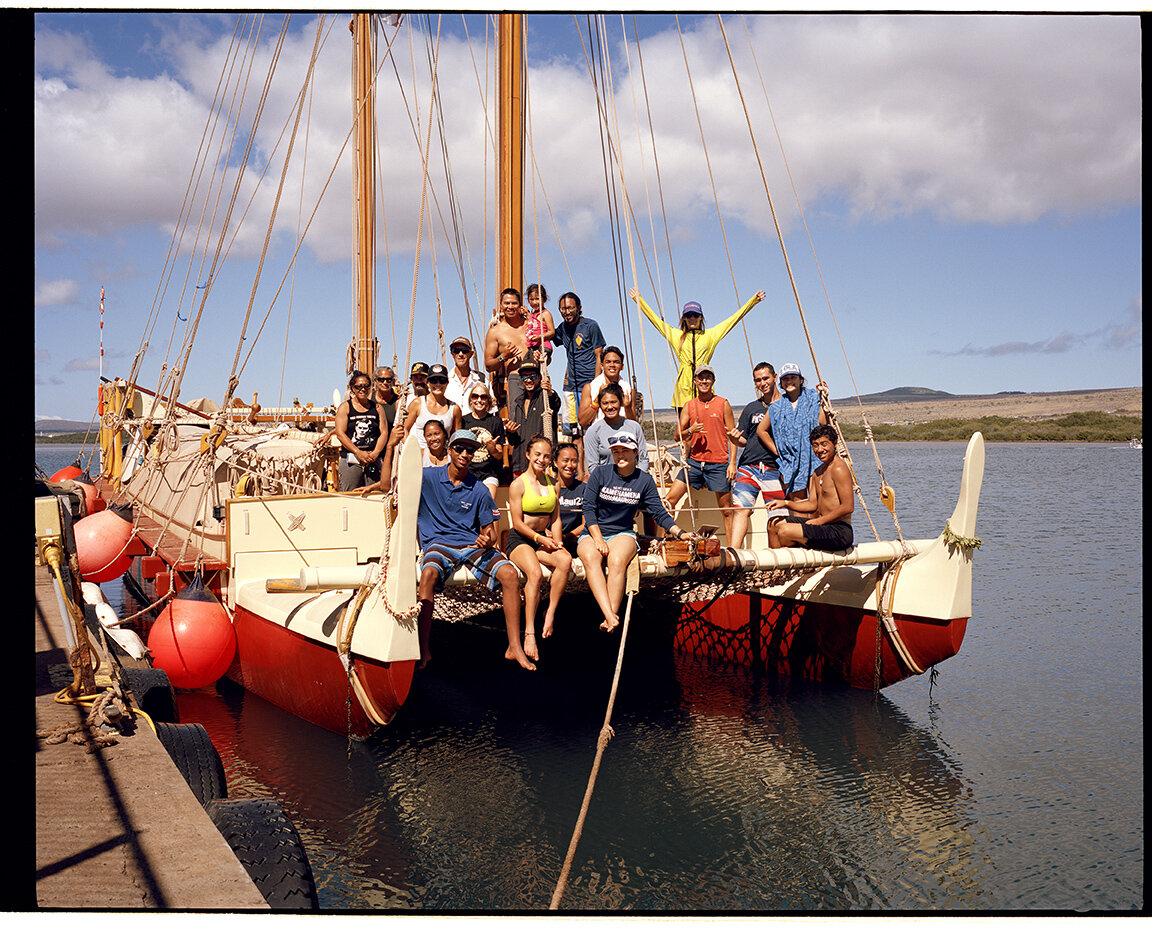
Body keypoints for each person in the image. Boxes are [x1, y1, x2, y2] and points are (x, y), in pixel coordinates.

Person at [416, 429, 536, 672]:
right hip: (439, 544)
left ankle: (514, 647)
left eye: (470, 450)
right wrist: (391, 447)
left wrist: (488, 540)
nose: (464, 453)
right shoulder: (426, 478)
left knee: (510, 575)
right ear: (449, 450)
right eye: (459, 448)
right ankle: (422, 647)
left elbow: (489, 531)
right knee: (427, 574)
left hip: (471, 545)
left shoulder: (479, 489)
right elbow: (391, 484)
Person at [578, 430, 691, 632]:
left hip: (622, 533)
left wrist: (680, 533)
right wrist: (597, 539)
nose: (620, 455)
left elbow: (658, 512)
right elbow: (588, 508)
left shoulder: (644, 480)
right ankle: (610, 614)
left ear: (635, 452)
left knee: (617, 561)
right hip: (594, 531)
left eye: (625, 451)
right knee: (590, 556)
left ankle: (610, 617)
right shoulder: (600, 474)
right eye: (616, 451)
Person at [630, 287, 766, 410]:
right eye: (688, 315)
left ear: (701, 317)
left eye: (695, 315)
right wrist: (639, 300)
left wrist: (753, 301)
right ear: (684, 318)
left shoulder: (710, 335)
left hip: (705, 389)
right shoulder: (676, 336)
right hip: (683, 393)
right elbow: (655, 320)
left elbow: (733, 319)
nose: (692, 318)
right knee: (686, 433)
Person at [505, 435, 573, 660]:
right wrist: (541, 539)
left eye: (546, 456)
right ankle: (529, 632)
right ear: (528, 455)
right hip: (520, 540)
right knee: (534, 574)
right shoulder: (518, 484)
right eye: (537, 455)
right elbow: (517, 523)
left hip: (542, 539)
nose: (542, 460)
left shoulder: (554, 484)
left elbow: (555, 519)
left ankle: (550, 612)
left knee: (565, 560)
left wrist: (557, 540)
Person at [664, 365, 738, 543]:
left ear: (713, 381)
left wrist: (732, 463)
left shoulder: (723, 404)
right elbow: (677, 435)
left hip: (718, 464)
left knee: (726, 510)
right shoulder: (689, 406)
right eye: (701, 378)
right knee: (668, 501)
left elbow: (733, 436)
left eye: (708, 378)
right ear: (695, 381)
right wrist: (691, 429)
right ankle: (664, 542)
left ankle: (733, 549)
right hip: (694, 464)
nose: (704, 381)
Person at [766, 425, 853, 552]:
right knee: (773, 524)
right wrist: (785, 503)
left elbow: (848, 507)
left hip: (839, 531)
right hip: (822, 526)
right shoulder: (817, 472)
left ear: (834, 443)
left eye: (824, 444)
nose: (820, 449)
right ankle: (777, 568)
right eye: (815, 445)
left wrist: (819, 521)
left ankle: (792, 567)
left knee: (785, 531)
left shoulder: (839, 468)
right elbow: (812, 505)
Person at [728, 362, 785, 549]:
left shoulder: (786, 405)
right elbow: (744, 440)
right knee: (741, 509)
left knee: (777, 516)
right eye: (758, 380)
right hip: (749, 467)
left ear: (775, 377)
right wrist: (735, 440)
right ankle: (734, 554)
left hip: (774, 469)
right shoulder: (752, 408)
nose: (762, 383)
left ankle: (778, 562)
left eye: (766, 378)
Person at [755, 362, 830, 503]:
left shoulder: (814, 397)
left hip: (813, 459)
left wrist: (824, 398)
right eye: (785, 379)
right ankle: (800, 525)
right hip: (791, 462)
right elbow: (761, 430)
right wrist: (777, 451)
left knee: (818, 503)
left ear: (800, 380)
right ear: (781, 383)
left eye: (792, 377)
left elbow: (823, 422)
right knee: (799, 505)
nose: (789, 381)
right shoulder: (776, 407)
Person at [552, 291, 605, 466]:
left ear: (579, 308)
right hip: (570, 387)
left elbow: (599, 355)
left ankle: (592, 470)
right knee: (573, 433)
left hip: (588, 385)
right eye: (562, 308)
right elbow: (549, 335)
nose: (566, 312)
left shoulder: (590, 326)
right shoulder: (563, 328)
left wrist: (596, 384)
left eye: (570, 308)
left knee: (590, 431)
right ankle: (578, 473)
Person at [334, 370, 390, 491]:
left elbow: (384, 432)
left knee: (375, 493)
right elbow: (340, 433)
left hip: (373, 459)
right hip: (351, 459)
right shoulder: (345, 408)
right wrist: (358, 452)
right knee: (350, 494)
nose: (363, 389)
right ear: (352, 388)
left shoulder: (377, 408)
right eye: (358, 386)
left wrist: (375, 453)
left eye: (366, 386)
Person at [582, 382, 649, 477]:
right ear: (600, 406)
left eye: (613, 402)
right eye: (605, 403)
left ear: (621, 402)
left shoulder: (634, 427)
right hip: (606, 483)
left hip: (633, 483)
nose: (609, 407)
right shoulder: (593, 431)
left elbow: (643, 459)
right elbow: (593, 466)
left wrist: (638, 481)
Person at [505, 360, 561, 476]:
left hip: (542, 466)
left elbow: (555, 403)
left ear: (539, 377)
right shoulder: (518, 402)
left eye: (532, 376)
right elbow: (513, 441)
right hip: (520, 466)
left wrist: (550, 392)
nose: (529, 380)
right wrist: (510, 432)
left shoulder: (545, 397)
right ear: (520, 379)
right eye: (525, 377)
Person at [484, 287, 531, 410]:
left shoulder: (531, 326)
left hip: (536, 377)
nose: (510, 307)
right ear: (501, 305)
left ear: (520, 305)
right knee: (517, 421)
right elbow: (488, 366)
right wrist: (504, 356)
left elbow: (548, 356)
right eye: (507, 303)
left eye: (514, 303)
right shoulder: (495, 332)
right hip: (515, 379)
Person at [459, 382, 505, 499]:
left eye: (483, 397)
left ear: (488, 401)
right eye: (475, 396)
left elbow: (499, 455)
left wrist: (492, 448)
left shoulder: (496, 422)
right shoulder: (463, 421)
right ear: (470, 400)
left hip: (489, 474)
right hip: (467, 472)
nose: (479, 400)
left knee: (487, 505)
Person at [403, 363, 462, 451]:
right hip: (420, 458)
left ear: (447, 383)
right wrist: (412, 450)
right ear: (427, 382)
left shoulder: (455, 408)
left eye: (442, 380)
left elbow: (457, 437)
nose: (438, 384)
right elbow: (404, 429)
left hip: (444, 459)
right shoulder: (417, 404)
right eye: (434, 380)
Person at [578, 345, 638, 428]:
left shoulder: (629, 391)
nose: (612, 365)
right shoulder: (589, 388)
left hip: (623, 436)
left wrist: (627, 408)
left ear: (622, 367)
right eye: (608, 362)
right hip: (598, 435)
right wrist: (596, 401)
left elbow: (634, 426)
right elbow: (582, 422)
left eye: (616, 362)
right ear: (602, 366)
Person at [554, 441, 586, 555]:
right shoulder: (547, 488)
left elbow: (586, 522)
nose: (570, 465)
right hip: (550, 541)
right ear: (555, 462)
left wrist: (566, 536)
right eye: (565, 460)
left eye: (574, 461)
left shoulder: (583, 489)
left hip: (575, 541)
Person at [445, 336, 485, 409]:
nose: (460, 354)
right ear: (452, 354)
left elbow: (491, 409)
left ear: (471, 354)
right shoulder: (444, 381)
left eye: (464, 351)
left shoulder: (481, 380)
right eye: (456, 351)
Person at [524, 283, 556, 365]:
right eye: (532, 299)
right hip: (533, 347)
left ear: (544, 299)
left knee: (530, 367)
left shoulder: (545, 314)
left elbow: (552, 332)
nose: (534, 302)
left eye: (537, 299)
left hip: (543, 347)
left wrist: (539, 337)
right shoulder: (532, 315)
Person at [373, 365, 400, 430]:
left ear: (393, 382)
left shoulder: (398, 402)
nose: (385, 383)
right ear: (375, 381)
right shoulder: (368, 398)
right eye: (381, 380)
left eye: (389, 380)